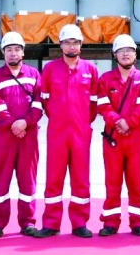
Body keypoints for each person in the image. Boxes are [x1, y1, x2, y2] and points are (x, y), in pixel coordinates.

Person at [37, 24, 99, 238]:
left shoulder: (90, 70)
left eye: (75, 42)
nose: (71, 46)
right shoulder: (50, 70)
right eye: (67, 42)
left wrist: (82, 122)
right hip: (57, 132)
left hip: (81, 133)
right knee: (54, 177)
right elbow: (44, 101)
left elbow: (93, 104)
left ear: (81, 45)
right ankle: (51, 223)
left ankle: (79, 223)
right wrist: (57, 119)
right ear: (60, 45)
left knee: (81, 179)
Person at [0, 31, 43, 238]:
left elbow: (39, 103)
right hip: (4, 137)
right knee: (1, 181)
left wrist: (25, 123)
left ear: (23, 52)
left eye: (16, 49)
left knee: (28, 180)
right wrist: (13, 124)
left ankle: (27, 222)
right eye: (9, 50)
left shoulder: (34, 75)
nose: (13, 53)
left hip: (28, 137)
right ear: (3, 52)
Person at [96, 34, 140, 237]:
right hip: (113, 138)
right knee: (112, 181)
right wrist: (116, 121)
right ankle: (110, 221)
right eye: (121, 51)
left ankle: (138, 222)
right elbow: (102, 105)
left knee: (137, 181)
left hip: (136, 137)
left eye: (129, 50)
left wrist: (129, 122)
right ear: (115, 55)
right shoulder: (105, 79)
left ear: (135, 54)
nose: (126, 53)